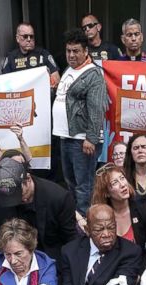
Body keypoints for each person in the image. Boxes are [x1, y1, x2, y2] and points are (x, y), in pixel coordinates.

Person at [53, 29, 106, 216]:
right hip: (65, 136)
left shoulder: (93, 74)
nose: (71, 55)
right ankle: (76, 220)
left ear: (85, 51)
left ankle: (85, 222)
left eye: (76, 51)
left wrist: (91, 138)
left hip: (81, 139)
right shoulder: (69, 70)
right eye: (68, 51)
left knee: (84, 186)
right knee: (70, 182)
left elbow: (96, 107)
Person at [0, 158, 78, 261]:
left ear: (28, 179)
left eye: (18, 194)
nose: (16, 200)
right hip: (13, 257)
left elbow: (70, 240)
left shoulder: (58, 198)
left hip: (50, 257)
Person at [93, 162, 146, 255]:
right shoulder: (101, 216)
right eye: (115, 182)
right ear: (106, 192)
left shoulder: (142, 210)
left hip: (139, 266)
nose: (122, 185)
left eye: (122, 178)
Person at [1, 22, 59, 88]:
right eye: (25, 36)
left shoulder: (43, 54)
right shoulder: (11, 57)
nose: (29, 39)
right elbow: (5, 83)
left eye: (31, 36)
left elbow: (56, 80)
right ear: (17, 38)